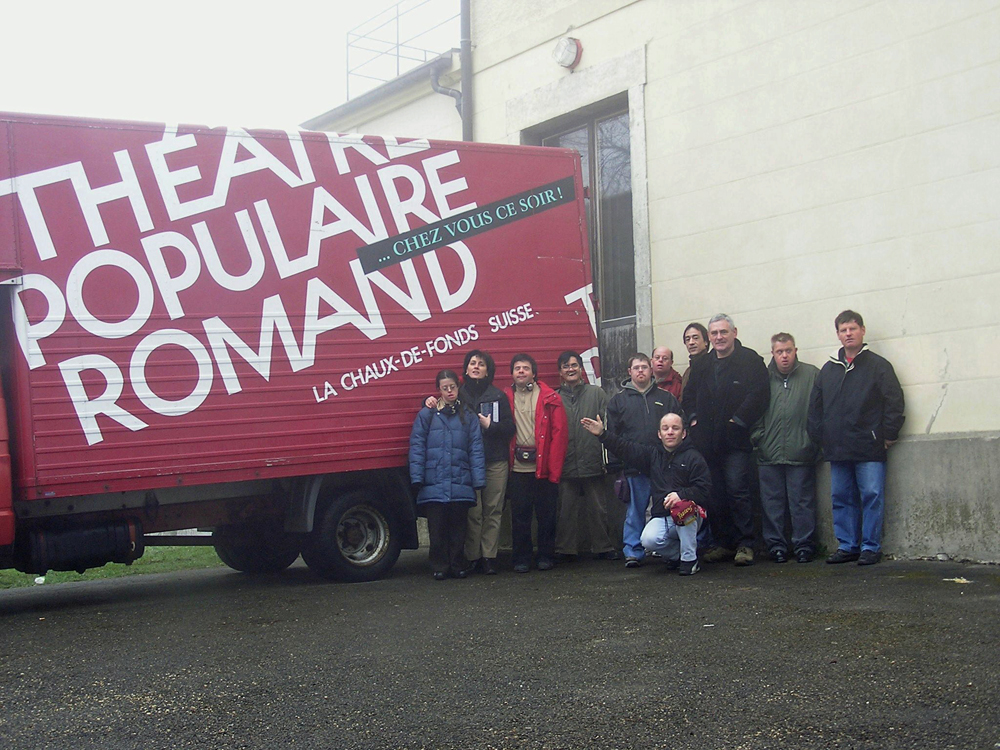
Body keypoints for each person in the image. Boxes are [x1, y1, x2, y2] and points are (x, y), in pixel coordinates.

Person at [808, 310, 905, 566]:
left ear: (862, 330)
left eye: (852, 328)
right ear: (838, 335)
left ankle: (870, 547)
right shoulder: (828, 370)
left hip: (868, 446)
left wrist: (889, 434)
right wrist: (820, 438)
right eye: (843, 330)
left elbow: (894, 401)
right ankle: (848, 545)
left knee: (871, 495)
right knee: (841, 498)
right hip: (837, 448)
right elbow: (815, 408)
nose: (848, 334)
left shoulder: (878, 366)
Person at [682, 314, 769, 566]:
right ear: (710, 337)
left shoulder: (750, 361)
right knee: (714, 493)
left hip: (736, 441)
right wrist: (694, 419)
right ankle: (724, 543)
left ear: (734, 333)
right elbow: (688, 396)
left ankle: (746, 544)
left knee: (738, 491)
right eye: (714, 333)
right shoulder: (702, 365)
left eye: (723, 332)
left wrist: (738, 421)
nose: (719, 337)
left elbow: (759, 395)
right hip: (707, 442)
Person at [582, 412, 711, 575]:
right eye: (665, 428)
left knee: (683, 509)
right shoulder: (652, 455)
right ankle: (678, 555)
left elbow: (704, 489)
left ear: (684, 433)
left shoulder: (694, 457)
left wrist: (681, 495)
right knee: (648, 540)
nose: (670, 432)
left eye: (675, 428)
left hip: (691, 517)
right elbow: (625, 448)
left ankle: (689, 561)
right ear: (659, 434)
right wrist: (602, 434)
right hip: (663, 516)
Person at [424, 350, 514, 575]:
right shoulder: (458, 393)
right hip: (467, 462)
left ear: (487, 370)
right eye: (472, 363)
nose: (476, 367)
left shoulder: (498, 395)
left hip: (495, 460)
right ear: (465, 369)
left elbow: (510, 428)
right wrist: (428, 401)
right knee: (473, 511)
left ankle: (489, 557)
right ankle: (472, 556)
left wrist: (491, 427)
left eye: (481, 364)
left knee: (493, 510)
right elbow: (438, 409)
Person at [409, 370, 486, 580]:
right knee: (437, 528)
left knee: (459, 528)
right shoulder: (427, 415)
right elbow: (417, 446)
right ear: (439, 390)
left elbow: (476, 449)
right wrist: (417, 477)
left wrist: (478, 480)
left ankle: (457, 564)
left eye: (452, 387)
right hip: (433, 481)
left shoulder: (468, 416)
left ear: (458, 388)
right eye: (445, 388)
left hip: (460, 480)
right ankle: (439, 566)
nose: (449, 391)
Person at [606, 354, 682, 567]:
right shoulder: (618, 401)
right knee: (635, 511)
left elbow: (679, 426)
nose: (640, 371)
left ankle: (667, 550)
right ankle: (633, 551)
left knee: (667, 509)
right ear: (629, 372)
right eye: (636, 367)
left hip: (664, 466)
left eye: (644, 367)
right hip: (634, 466)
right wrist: (615, 465)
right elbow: (612, 435)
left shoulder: (666, 398)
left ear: (651, 370)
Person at [752, 333, 820, 564]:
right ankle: (776, 546)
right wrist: (759, 438)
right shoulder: (762, 377)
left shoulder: (811, 375)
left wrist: (812, 440)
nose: (784, 356)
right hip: (768, 452)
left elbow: (820, 409)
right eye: (779, 352)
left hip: (801, 450)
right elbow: (753, 410)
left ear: (795, 350)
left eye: (788, 351)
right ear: (772, 353)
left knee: (802, 502)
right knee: (772, 503)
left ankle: (804, 546)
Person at [504, 353, 568, 573]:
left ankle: (546, 556)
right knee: (520, 517)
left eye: (525, 368)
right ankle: (521, 558)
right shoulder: (504, 397)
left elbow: (559, 435)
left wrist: (554, 470)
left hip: (544, 468)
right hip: (517, 468)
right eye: (517, 368)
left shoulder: (550, 397)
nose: (521, 371)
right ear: (512, 374)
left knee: (546, 516)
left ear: (534, 373)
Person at [554, 351, 618, 562]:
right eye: (565, 366)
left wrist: (607, 459)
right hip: (565, 462)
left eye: (574, 365)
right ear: (560, 372)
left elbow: (608, 426)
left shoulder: (596, 393)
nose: (570, 369)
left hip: (592, 460)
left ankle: (603, 547)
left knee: (598, 508)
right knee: (566, 509)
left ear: (581, 368)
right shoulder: (555, 398)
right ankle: (565, 549)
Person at [681, 322, 710, 393]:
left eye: (695, 338)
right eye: (687, 339)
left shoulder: (711, 366)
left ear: (706, 341)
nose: (691, 342)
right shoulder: (688, 371)